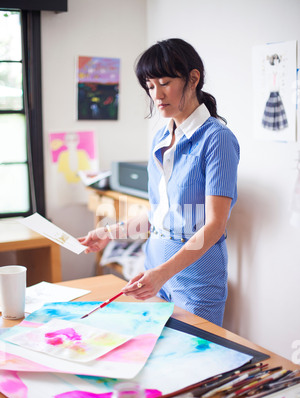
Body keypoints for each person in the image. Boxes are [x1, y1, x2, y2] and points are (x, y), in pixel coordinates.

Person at [79, 38, 240, 326]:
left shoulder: (217, 139)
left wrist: (164, 273)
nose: (156, 95)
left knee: (194, 361)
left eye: (164, 83)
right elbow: (159, 216)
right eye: (150, 86)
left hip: (195, 274)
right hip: (154, 264)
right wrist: (109, 232)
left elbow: (214, 227)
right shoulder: (161, 137)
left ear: (193, 78)